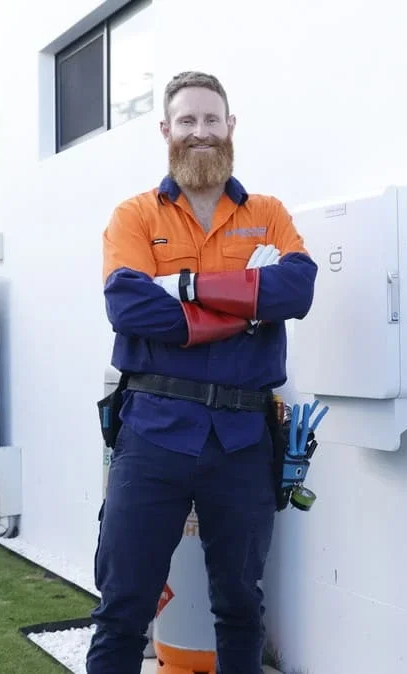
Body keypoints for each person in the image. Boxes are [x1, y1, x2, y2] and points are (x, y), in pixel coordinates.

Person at [86, 70, 318, 674]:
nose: (200, 132)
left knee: (241, 604)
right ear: (166, 130)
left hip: (242, 440)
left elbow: (297, 287)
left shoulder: (267, 214)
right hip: (153, 433)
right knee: (123, 605)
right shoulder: (136, 216)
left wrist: (186, 286)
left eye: (211, 119)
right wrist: (243, 311)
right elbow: (129, 306)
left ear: (230, 127)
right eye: (187, 121)